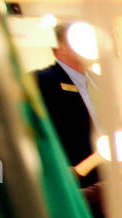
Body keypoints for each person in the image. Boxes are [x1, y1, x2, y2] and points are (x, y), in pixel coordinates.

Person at [32, 22, 100, 187]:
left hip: (109, 172)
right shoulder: (43, 81)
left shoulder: (100, 82)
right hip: (75, 176)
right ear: (60, 47)